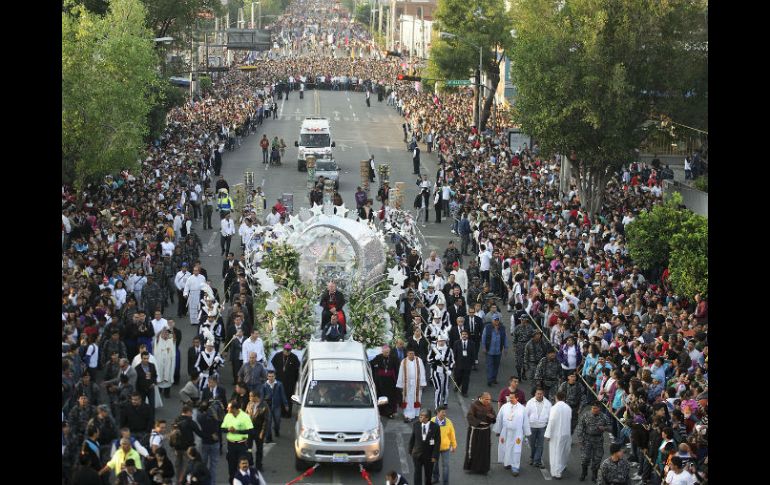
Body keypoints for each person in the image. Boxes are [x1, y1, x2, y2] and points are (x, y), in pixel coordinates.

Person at [493, 391, 531, 476]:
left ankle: (515, 466)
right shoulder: (504, 407)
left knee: (516, 450)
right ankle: (507, 463)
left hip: (517, 433)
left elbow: (526, 422)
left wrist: (527, 433)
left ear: (517, 398)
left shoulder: (522, 409)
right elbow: (499, 418)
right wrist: (498, 430)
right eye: (509, 397)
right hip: (506, 432)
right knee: (506, 447)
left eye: (512, 398)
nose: (510, 399)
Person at [577, 402, 611, 482]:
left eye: (595, 408)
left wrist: (605, 428)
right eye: (592, 408)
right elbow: (580, 427)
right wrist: (580, 439)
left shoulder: (604, 417)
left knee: (597, 459)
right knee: (585, 458)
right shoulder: (586, 415)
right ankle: (584, 473)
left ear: (599, 408)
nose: (593, 410)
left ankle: (594, 474)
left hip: (598, 440)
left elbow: (611, 427)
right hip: (587, 439)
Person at [221, 400, 254, 483]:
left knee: (242, 468)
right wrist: (228, 429)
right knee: (231, 468)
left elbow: (250, 430)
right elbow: (222, 428)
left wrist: (237, 431)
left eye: (228, 408)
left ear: (234, 409)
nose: (227, 409)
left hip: (241, 445)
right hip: (231, 445)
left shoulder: (245, 416)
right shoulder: (228, 416)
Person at [464, 392, 496, 474]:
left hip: (485, 432)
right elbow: (470, 416)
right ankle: (472, 467)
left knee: (484, 450)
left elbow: (493, 416)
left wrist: (491, 417)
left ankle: (483, 468)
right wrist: (479, 422)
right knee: (474, 449)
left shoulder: (489, 406)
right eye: (486, 399)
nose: (488, 401)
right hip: (475, 432)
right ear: (481, 398)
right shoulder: (474, 405)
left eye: (489, 399)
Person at [408, 409, 441, 485]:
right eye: (420, 416)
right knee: (417, 473)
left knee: (428, 475)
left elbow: (437, 443)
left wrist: (434, 456)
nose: (420, 418)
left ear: (427, 418)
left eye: (422, 416)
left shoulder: (435, 427)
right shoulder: (416, 425)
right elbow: (413, 438)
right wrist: (410, 450)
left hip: (429, 456)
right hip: (417, 455)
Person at [544, 391, 572, 479]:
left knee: (555, 452)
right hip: (566, 433)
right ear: (564, 398)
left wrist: (548, 434)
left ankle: (556, 472)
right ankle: (562, 466)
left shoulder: (554, 408)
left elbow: (551, 421)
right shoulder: (568, 408)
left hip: (556, 434)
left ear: (556, 398)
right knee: (564, 451)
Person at [396, 346, 427, 423]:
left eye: (413, 353)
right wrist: (400, 385)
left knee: (416, 398)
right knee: (408, 399)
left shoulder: (419, 360)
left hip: (417, 383)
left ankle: (416, 413)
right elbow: (400, 373)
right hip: (407, 384)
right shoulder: (404, 361)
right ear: (407, 354)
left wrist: (422, 383)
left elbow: (422, 372)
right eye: (410, 354)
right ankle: (408, 415)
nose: (411, 355)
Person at [370, 344, 400, 418]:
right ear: (382, 352)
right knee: (382, 395)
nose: (387, 354)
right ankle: (383, 411)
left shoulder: (394, 358)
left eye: (388, 352)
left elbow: (397, 369)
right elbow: (371, 364)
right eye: (385, 352)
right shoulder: (378, 357)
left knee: (391, 396)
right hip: (381, 381)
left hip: (391, 381)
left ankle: (390, 412)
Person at [271, 343, 300, 417]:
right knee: (279, 396)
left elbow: (297, 368)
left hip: (290, 382)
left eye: (289, 350)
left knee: (288, 397)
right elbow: (273, 362)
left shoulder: (294, 357)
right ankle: (280, 412)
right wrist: (279, 369)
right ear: (283, 349)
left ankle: (287, 413)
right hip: (279, 380)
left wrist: (295, 380)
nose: (287, 352)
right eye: (286, 350)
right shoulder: (278, 355)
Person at [430, 405, 457, 485]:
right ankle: (436, 478)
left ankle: (445, 482)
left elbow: (452, 435)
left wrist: (453, 445)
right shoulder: (432, 421)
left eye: (445, 412)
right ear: (438, 412)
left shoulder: (449, 422)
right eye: (443, 412)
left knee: (446, 466)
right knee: (434, 465)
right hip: (435, 448)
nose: (444, 414)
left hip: (445, 448)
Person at [427, 332, 454, 409]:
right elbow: (428, 360)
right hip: (436, 371)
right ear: (437, 342)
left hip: (446, 371)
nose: (441, 342)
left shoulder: (449, 350)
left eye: (443, 341)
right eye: (439, 341)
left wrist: (450, 369)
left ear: (445, 341)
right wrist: (435, 358)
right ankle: (437, 406)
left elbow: (452, 361)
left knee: (445, 388)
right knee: (438, 389)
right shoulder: (433, 350)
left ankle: (445, 401)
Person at [525, 387, 551, 469]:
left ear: (543, 394)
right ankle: (532, 457)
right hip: (532, 426)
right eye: (538, 394)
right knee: (532, 444)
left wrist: (549, 428)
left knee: (540, 445)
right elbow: (526, 415)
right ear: (535, 394)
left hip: (542, 427)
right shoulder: (530, 402)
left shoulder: (548, 403)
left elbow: (550, 417)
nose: (539, 395)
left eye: (541, 393)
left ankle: (537, 461)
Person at [245, 391, 270, 471]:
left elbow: (266, 421)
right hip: (249, 430)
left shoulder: (264, 406)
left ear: (256, 397)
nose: (249, 398)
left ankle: (259, 465)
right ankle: (250, 462)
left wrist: (262, 432)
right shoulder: (249, 404)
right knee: (248, 448)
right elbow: (246, 414)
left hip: (258, 430)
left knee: (259, 449)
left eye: (251, 396)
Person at [481, 316, 508, 387]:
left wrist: (505, 348)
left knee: (496, 365)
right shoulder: (487, 328)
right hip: (489, 350)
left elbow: (505, 338)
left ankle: (494, 378)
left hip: (498, 351)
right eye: (495, 320)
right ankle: (489, 380)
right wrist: (483, 347)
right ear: (492, 320)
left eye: (497, 320)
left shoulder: (502, 328)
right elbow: (483, 337)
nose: (496, 321)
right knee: (490, 365)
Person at [261, 370, 287, 441]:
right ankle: (268, 437)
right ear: (267, 377)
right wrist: (261, 406)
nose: (271, 378)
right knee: (268, 422)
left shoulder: (279, 384)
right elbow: (262, 397)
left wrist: (286, 404)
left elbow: (283, 395)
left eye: (272, 376)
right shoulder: (264, 385)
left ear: (275, 376)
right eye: (269, 376)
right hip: (268, 407)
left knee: (277, 421)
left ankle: (276, 429)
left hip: (277, 406)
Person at [452, 329, 475, 396]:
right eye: (463, 334)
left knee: (466, 379)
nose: (464, 336)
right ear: (461, 335)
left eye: (465, 334)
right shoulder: (456, 343)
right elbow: (454, 353)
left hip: (467, 364)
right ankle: (457, 386)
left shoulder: (472, 343)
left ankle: (464, 392)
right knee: (457, 377)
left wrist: (472, 363)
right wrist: (453, 362)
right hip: (458, 364)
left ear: (467, 335)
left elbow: (473, 354)